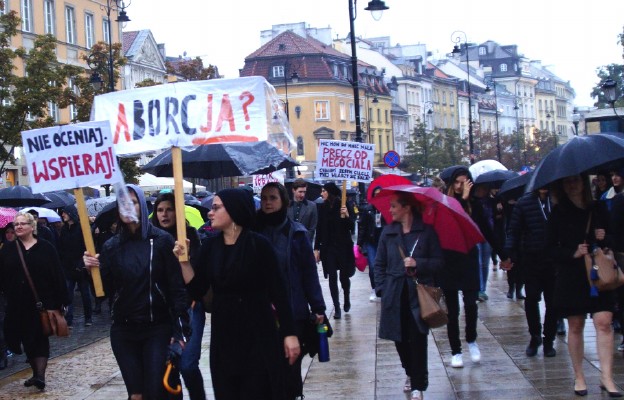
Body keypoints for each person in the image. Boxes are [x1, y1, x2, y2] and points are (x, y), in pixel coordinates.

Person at [180, 188, 300, 399]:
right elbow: (197, 289)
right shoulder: (210, 247)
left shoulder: (259, 245)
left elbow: (279, 291)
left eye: (216, 208)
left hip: (258, 335)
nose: (210, 213)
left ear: (234, 211)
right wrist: (183, 261)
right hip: (224, 337)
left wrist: (290, 334)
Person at [83, 185, 191, 400]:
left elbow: (176, 288)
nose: (128, 208)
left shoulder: (161, 241)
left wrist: (180, 331)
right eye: (123, 203)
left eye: (132, 202)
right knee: (136, 394)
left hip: (157, 328)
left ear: (141, 206)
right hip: (124, 331)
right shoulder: (111, 246)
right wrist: (91, 270)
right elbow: (102, 291)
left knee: (154, 391)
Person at [547, 174, 620, 397]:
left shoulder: (598, 208)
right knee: (576, 325)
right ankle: (579, 376)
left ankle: (606, 377)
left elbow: (614, 240)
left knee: (604, 322)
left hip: (598, 273)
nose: (572, 185)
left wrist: (604, 237)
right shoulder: (558, 213)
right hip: (572, 275)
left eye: (576, 180)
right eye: (567, 181)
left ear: (583, 183)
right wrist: (573, 252)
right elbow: (549, 249)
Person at [255, 182, 326, 400]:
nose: (267, 202)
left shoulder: (296, 233)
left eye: (273, 198)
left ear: (283, 201)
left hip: (292, 310)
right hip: (261, 312)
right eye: (264, 198)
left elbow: (308, 273)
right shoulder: (252, 231)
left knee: (290, 369)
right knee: (264, 371)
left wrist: (318, 307)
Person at [374, 191, 444, 400]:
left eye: (394, 206)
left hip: (418, 295)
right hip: (394, 294)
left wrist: (418, 263)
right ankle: (409, 372)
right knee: (399, 339)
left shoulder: (426, 232)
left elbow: (439, 263)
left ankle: (418, 384)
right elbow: (379, 264)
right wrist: (381, 289)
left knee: (418, 339)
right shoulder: (388, 233)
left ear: (406, 207)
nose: (390, 210)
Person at [0, 212, 68, 390]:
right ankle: (35, 372)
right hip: (17, 303)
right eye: (16, 224)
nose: (19, 227)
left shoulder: (46, 248)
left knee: (39, 338)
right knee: (23, 338)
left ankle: (39, 375)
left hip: (42, 303)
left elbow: (57, 274)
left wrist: (62, 301)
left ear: (32, 226)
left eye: (23, 224)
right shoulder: (8, 249)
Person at [150, 192, 206, 400]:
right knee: (169, 365)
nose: (164, 215)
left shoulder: (189, 236)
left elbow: (198, 279)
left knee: (188, 364)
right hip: (164, 309)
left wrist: (185, 257)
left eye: (169, 209)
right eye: (160, 210)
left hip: (190, 306)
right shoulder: (152, 239)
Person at [504, 186, 558, 357]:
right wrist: (509, 254)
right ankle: (535, 336)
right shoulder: (524, 203)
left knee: (552, 302)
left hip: (553, 260)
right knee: (532, 298)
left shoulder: (556, 201)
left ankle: (549, 338)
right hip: (531, 258)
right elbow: (514, 230)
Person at [440, 167, 482, 368]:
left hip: (469, 259)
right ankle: (455, 350)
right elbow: (450, 223)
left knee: (471, 304)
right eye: (457, 182)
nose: (460, 186)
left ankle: (471, 339)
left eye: (464, 182)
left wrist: (505, 254)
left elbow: (483, 229)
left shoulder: (475, 203)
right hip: (449, 259)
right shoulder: (444, 202)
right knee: (452, 310)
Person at [314, 182, 356, 319]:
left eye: (324, 191)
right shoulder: (323, 207)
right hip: (328, 248)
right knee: (332, 277)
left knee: (344, 277)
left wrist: (347, 215)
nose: (322, 193)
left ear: (330, 192)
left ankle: (346, 297)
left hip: (343, 247)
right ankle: (336, 307)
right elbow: (319, 228)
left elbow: (352, 228)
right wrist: (316, 248)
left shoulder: (343, 204)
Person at [59, 204, 92, 328]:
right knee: (68, 295)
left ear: (71, 213)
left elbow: (86, 246)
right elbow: (61, 247)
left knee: (85, 294)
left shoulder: (81, 228)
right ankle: (69, 320)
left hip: (80, 267)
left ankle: (88, 317)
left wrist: (82, 263)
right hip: (68, 267)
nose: (63, 215)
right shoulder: (63, 229)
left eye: (65, 213)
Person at [357, 185, 385, 302]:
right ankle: (375, 288)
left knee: (384, 267)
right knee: (373, 266)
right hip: (371, 242)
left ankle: (383, 288)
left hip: (383, 242)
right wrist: (360, 243)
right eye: (376, 194)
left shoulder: (386, 209)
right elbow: (362, 227)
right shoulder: (368, 209)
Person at [287, 178, 318, 244]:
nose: (302, 195)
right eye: (300, 192)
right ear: (293, 190)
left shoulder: (312, 206)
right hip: (288, 244)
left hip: (305, 244)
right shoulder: (286, 206)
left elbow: (312, 228)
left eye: (304, 192)